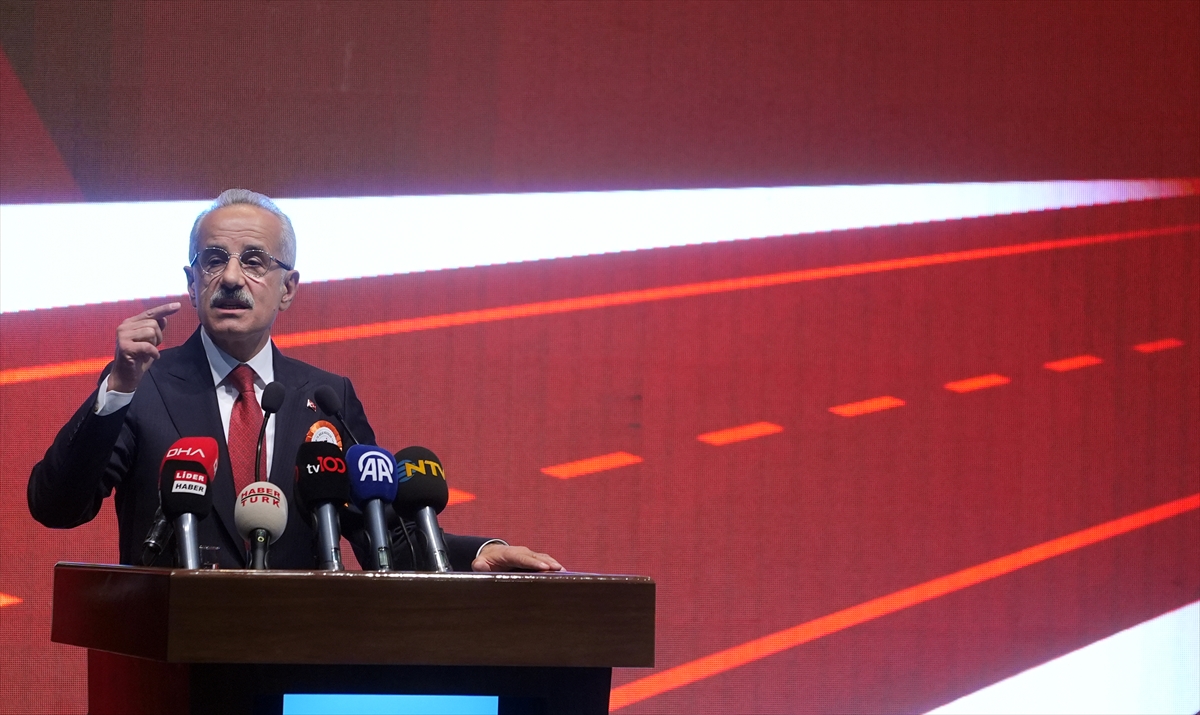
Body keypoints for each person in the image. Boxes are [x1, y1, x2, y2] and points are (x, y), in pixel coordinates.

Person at [28, 189, 562, 573]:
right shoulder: (142, 386)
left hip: (291, 656)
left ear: (288, 288)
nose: (231, 278)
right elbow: (57, 507)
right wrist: (118, 387)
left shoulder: (325, 398)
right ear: (191, 283)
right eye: (213, 261)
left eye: (254, 261)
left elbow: (380, 535)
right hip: (170, 659)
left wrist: (476, 553)